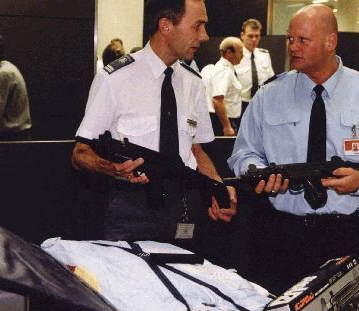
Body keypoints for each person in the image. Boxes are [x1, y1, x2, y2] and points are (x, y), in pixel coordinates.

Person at [227, 4, 359, 295]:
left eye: (302, 40)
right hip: (280, 234)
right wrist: (258, 174)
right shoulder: (269, 94)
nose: (292, 47)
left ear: (330, 42)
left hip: (348, 235)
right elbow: (244, 152)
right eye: (290, 39)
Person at [71, 0, 237, 249]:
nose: (204, 36)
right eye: (197, 26)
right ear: (166, 26)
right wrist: (114, 169)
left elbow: (196, 150)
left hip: (183, 209)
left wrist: (218, 188)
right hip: (132, 212)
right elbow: (80, 154)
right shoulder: (115, 78)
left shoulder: (192, 81)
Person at [234, 19, 274, 119]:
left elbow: (271, 80)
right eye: (250, 36)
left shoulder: (264, 54)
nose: (254, 40)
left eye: (257, 36)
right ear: (242, 35)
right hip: (241, 104)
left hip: (261, 103)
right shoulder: (235, 55)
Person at [205, 37, 243, 136]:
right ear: (229, 53)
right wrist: (227, 126)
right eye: (240, 52)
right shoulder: (224, 70)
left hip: (226, 120)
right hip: (223, 121)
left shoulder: (228, 69)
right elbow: (217, 100)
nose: (243, 55)